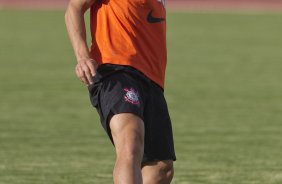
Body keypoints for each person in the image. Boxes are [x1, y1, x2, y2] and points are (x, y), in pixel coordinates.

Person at [65, 0, 176, 183]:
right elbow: (74, 8)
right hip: (116, 69)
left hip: (153, 78)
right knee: (130, 140)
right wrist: (82, 56)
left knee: (161, 167)